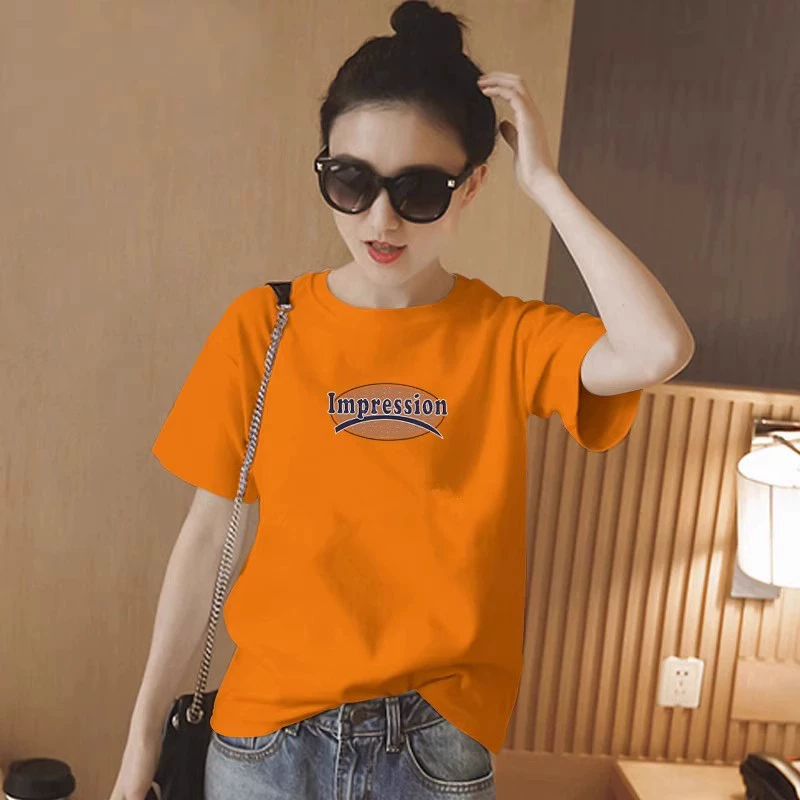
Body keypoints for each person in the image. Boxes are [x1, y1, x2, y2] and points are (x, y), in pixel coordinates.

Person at [110, 1, 693, 798]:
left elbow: (657, 349)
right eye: (350, 180)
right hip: (263, 744)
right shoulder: (265, 326)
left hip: (433, 750)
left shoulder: (507, 336)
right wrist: (141, 743)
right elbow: (211, 535)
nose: (380, 220)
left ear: (472, 185)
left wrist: (546, 185)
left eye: (419, 190)